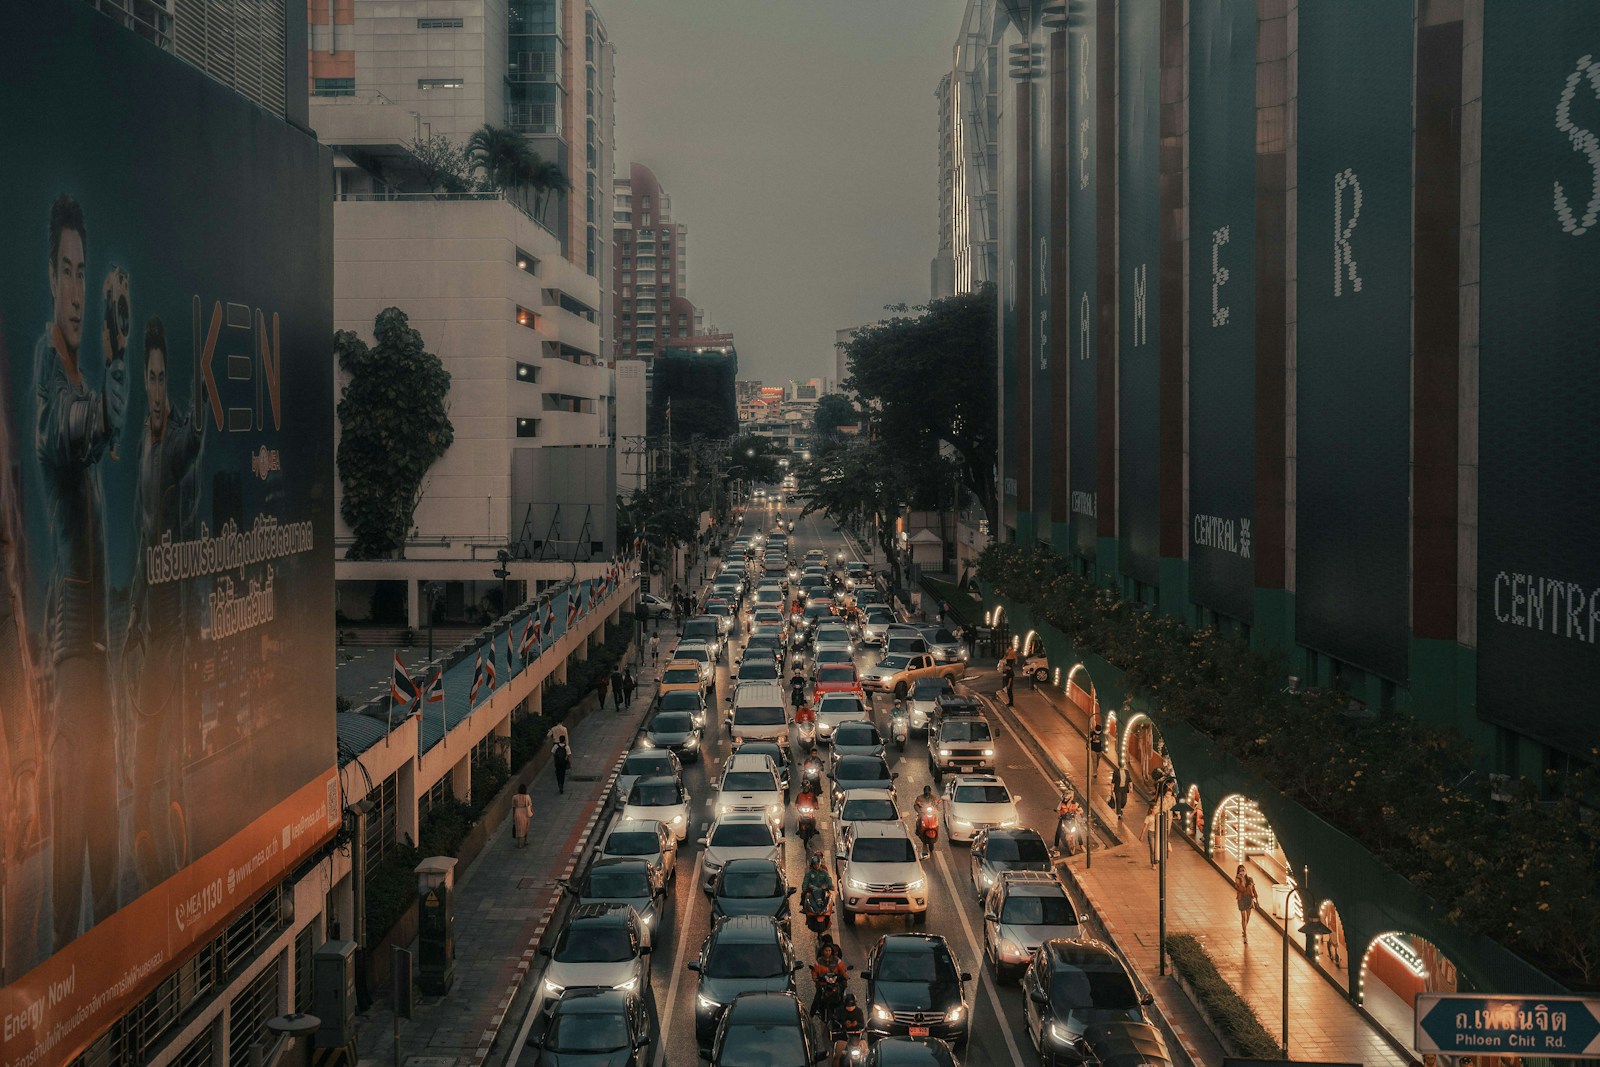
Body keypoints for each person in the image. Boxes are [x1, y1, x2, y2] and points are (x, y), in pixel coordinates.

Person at [36, 194, 129, 948]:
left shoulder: (81, 388)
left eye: (83, 271)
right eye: (66, 271)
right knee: (72, 852)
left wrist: (119, 354)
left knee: (103, 849)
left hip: (97, 663)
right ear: (50, 277)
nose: (75, 287)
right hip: (73, 665)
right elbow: (72, 431)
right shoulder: (50, 382)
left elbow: (108, 424)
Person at [124, 314, 206, 892]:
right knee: (145, 755)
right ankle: (154, 864)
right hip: (149, 625)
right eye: (148, 378)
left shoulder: (174, 440)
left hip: (176, 630)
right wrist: (130, 614)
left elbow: (193, 442)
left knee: (167, 753)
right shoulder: (143, 449)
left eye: (161, 378)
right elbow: (140, 543)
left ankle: (172, 870)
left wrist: (199, 405)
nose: (155, 389)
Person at [810, 941, 848, 1018]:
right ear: (823, 951)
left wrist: (845, 976)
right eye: (826, 950)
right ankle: (810, 1015)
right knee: (817, 998)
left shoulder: (837, 960)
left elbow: (843, 970)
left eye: (829, 950)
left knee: (843, 997)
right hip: (823, 984)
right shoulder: (819, 961)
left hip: (835, 983)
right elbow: (814, 971)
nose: (827, 952)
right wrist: (815, 978)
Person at [914, 786, 941, 858]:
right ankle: (918, 830)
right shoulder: (919, 798)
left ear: (930, 791)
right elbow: (916, 805)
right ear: (924, 791)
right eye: (926, 791)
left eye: (928, 791)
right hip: (923, 814)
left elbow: (937, 805)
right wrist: (919, 811)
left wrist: (937, 808)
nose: (927, 793)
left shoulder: (933, 798)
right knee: (919, 819)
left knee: (936, 820)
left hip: (931, 814)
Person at [1055, 788, 1083, 853]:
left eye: (1066, 798)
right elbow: (1058, 810)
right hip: (1064, 819)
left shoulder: (1075, 804)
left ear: (1070, 798)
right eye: (1064, 798)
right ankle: (1055, 846)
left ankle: (1081, 845)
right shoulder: (1061, 803)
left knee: (1078, 831)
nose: (1065, 799)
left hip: (1072, 819)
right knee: (1058, 831)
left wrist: (1077, 813)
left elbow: (1081, 810)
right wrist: (1059, 815)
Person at [1235, 865, 1258, 942]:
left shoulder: (1250, 879)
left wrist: (1257, 899)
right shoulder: (1237, 880)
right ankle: (1245, 934)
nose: (1242, 872)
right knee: (1243, 917)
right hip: (1241, 898)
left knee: (1248, 917)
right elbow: (1242, 889)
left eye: (1243, 870)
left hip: (1249, 899)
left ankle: (1244, 929)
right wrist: (1241, 879)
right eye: (1240, 870)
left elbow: (1254, 889)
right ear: (1238, 872)